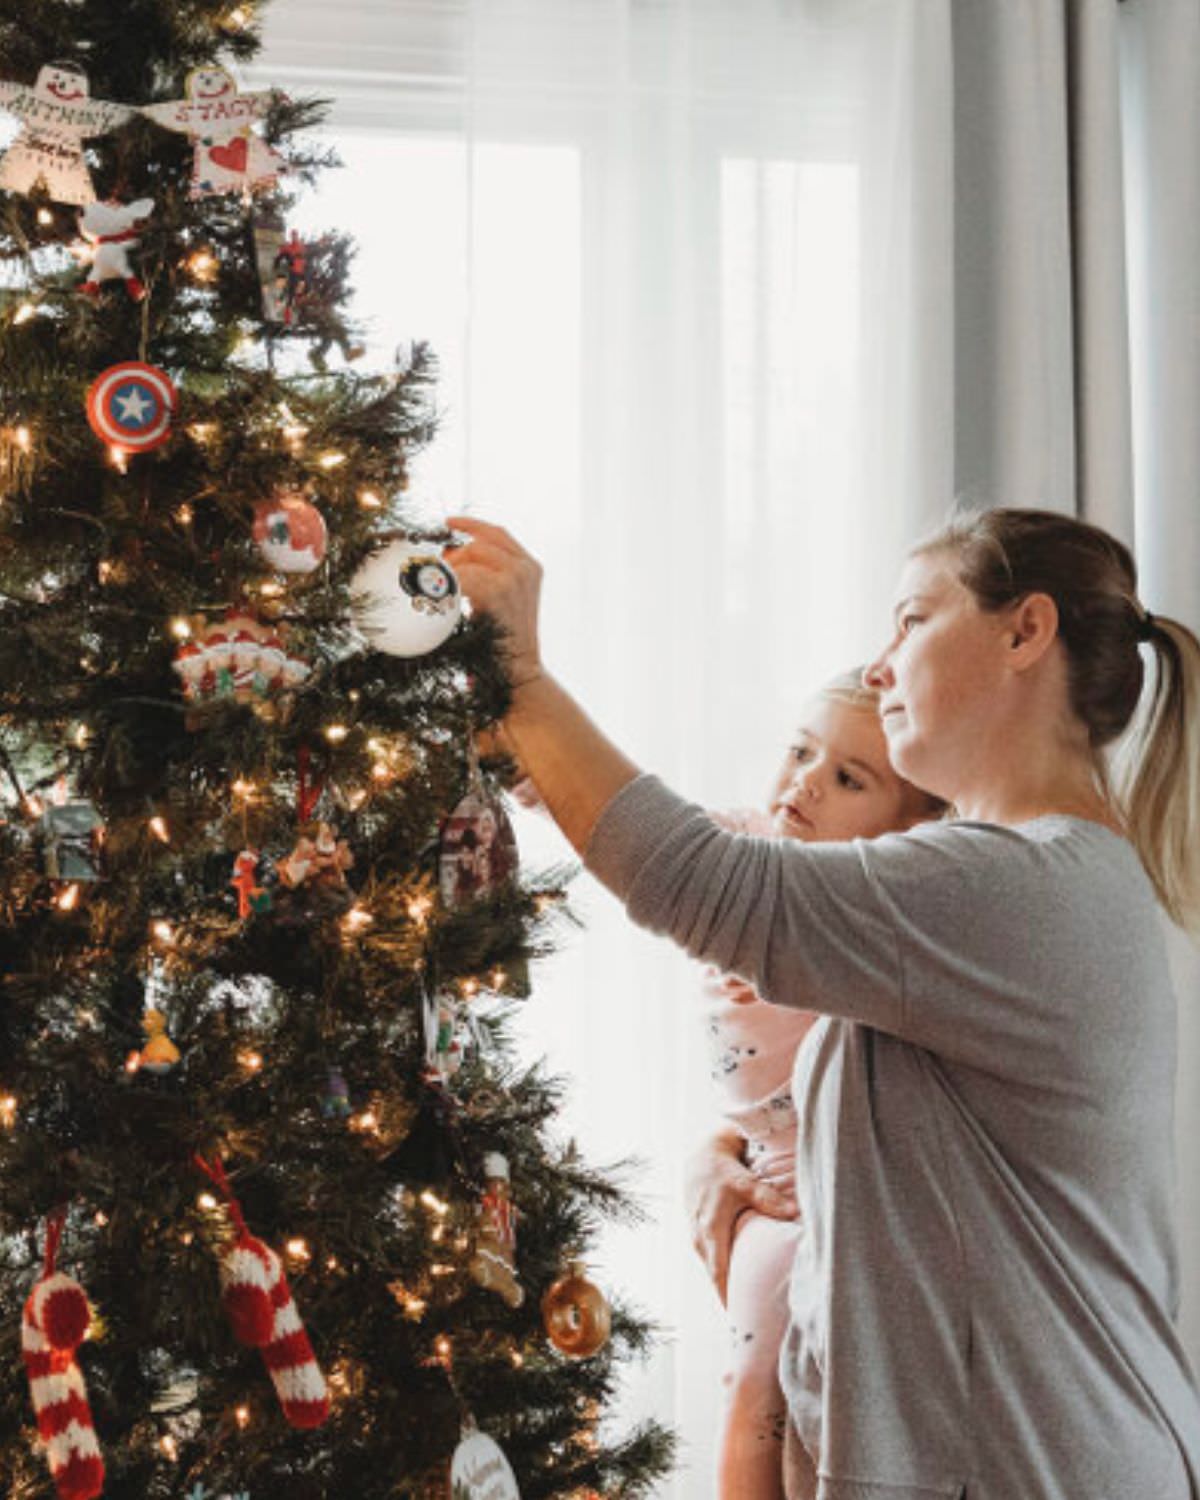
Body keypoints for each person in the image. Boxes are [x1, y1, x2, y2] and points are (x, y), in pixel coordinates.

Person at [446, 504, 1200, 1500]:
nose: (881, 665)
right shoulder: (1036, 879)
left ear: (1024, 632)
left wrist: (532, 686)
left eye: (911, 621)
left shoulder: (1014, 886)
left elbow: (702, 880)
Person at [701, 670, 947, 1499]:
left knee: (783, 1400)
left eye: (848, 778)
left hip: (836, 1209)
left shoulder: (886, 917)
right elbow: (644, 834)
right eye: (801, 751)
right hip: (770, 1188)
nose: (804, 781)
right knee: (752, 1388)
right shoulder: (748, 852)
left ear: (911, 829)